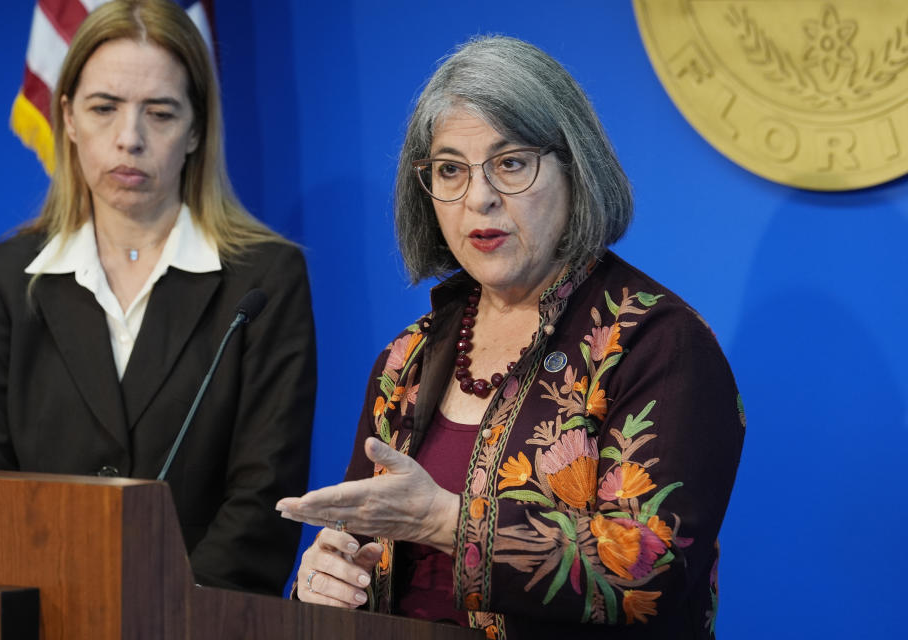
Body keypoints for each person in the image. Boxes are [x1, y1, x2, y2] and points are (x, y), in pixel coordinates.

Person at [276, 36, 743, 637]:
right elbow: (359, 543)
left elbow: (649, 573)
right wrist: (324, 581)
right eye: (450, 170)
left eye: (511, 163)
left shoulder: (659, 344)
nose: (479, 198)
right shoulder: (405, 361)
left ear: (576, 169)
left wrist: (445, 520)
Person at [0, 0, 315, 595]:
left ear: (197, 127)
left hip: (199, 622)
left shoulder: (266, 280)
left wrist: (163, 614)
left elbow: (262, 501)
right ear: (66, 117)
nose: (130, 139)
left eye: (161, 113)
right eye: (104, 108)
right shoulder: (6, 278)